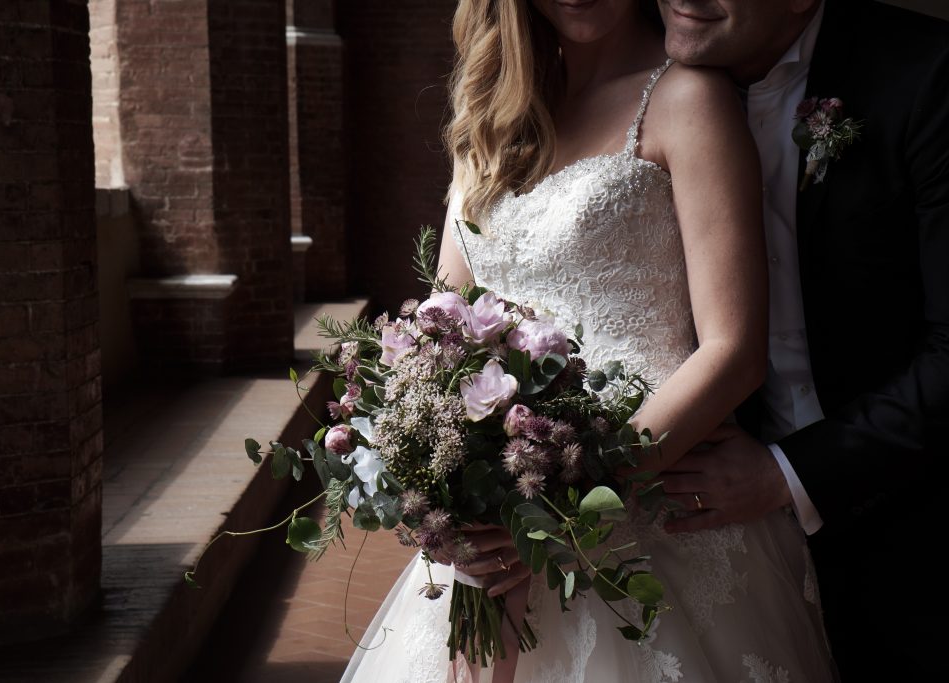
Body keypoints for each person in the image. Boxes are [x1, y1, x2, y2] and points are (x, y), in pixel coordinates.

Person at [342, 1, 835, 681]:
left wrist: (565, 508)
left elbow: (733, 350)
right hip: (501, 526)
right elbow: (441, 329)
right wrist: (444, 502)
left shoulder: (688, 98)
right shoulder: (490, 121)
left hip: (649, 507)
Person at [654, 1, 949, 679]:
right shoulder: (635, 73)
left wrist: (787, 475)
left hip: (915, 525)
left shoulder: (927, 76)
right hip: (708, 547)